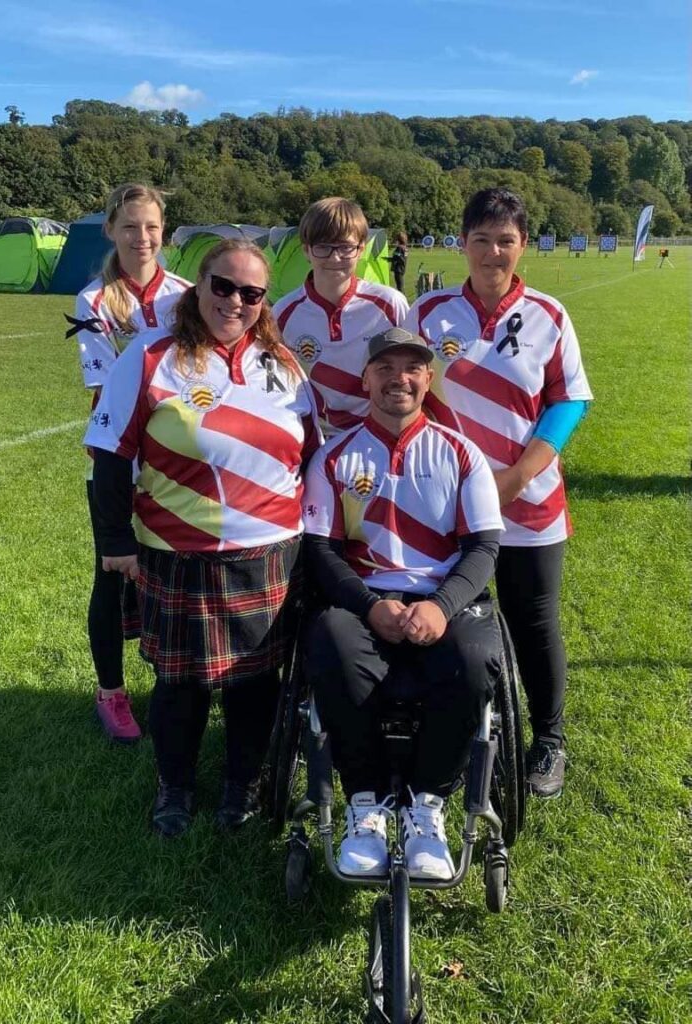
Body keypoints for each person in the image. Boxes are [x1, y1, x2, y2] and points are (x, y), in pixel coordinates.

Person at [84, 239, 320, 838]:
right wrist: (115, 541)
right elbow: (111, 456)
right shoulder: (148, 354)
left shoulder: (284, 365)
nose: (234, 301)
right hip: (178, 552)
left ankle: (243, 783)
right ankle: (176, 788)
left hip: (271, 552)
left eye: (250, 293)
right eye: (222, 285)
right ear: (199, 285)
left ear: (264, 301)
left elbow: (311, 454)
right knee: (180, 684)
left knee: (255, 681)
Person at [404, 187, 593, 798]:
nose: (492, 253)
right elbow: (406, 392)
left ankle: (549, 740)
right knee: (448, 622)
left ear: (522, 245)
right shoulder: (427, 311)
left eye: (505, 240)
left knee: (533, 620)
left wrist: (514, 480)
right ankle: (448, 733)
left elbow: (568, 401)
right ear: (462, 243)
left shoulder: (549, 314)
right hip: (444, 504)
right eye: (480, 239)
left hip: (529, 503)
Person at [303, 326, 504, 880]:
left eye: (412, 368)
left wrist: (441, 605)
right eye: (386, 368)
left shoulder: (463, 454)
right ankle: (364, 806)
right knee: (332, 646)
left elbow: (485, 548)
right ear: (366, 378)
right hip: (364, 598)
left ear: (428, 378)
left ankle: (428, 808)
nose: (400, 379)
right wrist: (368, 606)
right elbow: (320, 550)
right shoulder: (332, 456)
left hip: (446, 598)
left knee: (470, 662)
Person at [68, 182, 190, 743]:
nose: (142, 238)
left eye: (151, 227)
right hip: (118, 461)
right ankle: (111, 693)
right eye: (130, 226)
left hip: (178, 463)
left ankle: (178, 678)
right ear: (110, 231)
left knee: (176, 574)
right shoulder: (93, 300)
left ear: (163, 230)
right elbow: (105, 385)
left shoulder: (189, 295)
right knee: (112, 575)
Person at [273, 197, 410, 438]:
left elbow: (412, 373)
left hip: (379, 435)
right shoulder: (283, 312)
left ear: (361, 248)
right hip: (315, 439)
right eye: (323, 247)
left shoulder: (390, 303)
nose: (334, 258)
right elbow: (276, 385)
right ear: (306, 249)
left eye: (345, 247)